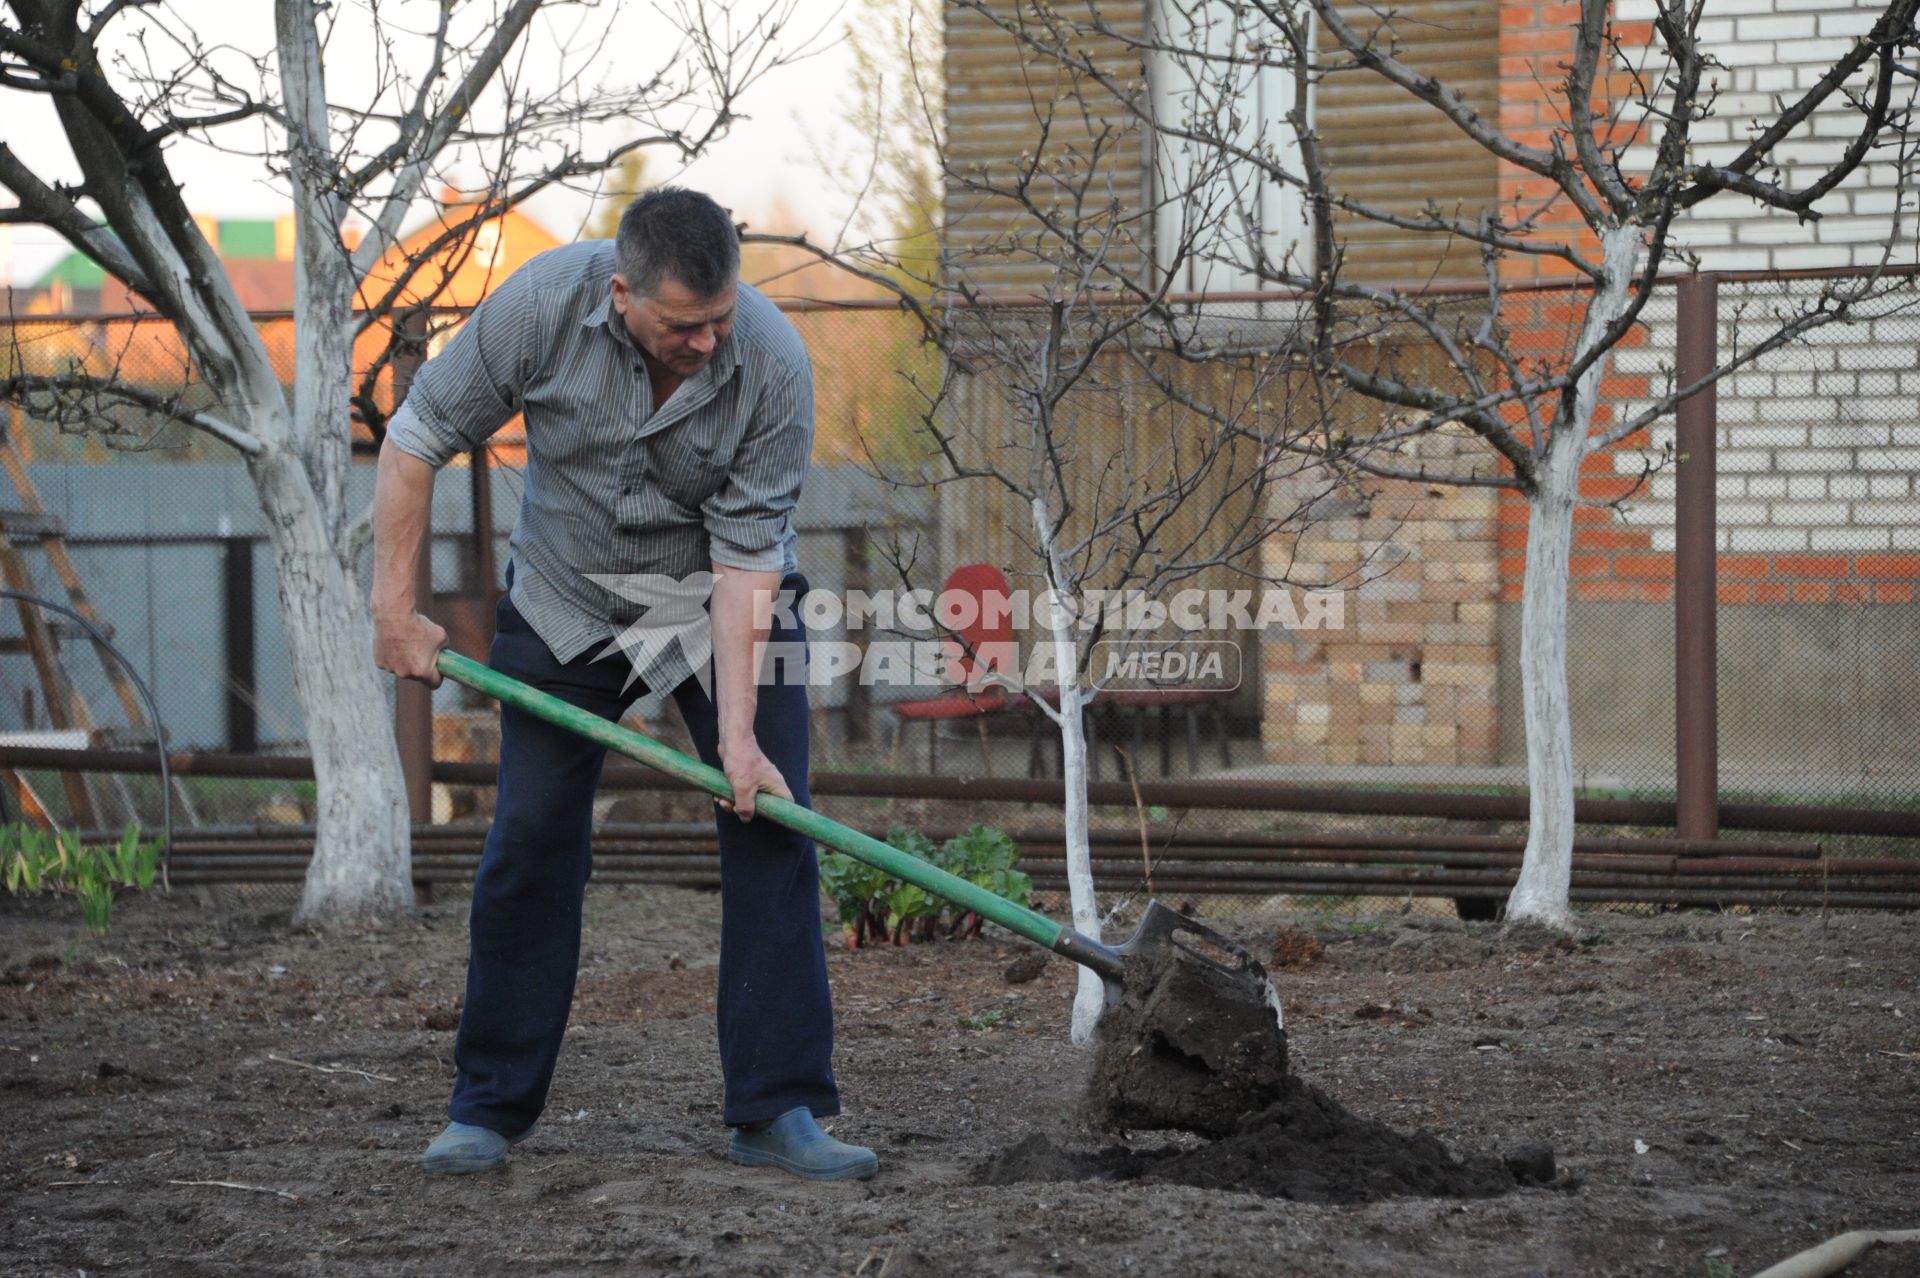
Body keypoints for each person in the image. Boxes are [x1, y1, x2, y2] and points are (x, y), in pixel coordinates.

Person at [370, 187, 875, 1181]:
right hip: (567, 601)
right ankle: (487, 1108)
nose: (704, 341)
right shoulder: (544, 307)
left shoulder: (770, 360)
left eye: (719, 319)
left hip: (714, 601)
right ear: (623, 294)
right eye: (683, 326)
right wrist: (395, 608)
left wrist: (737, 741)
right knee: (530, 841)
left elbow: (745, 568)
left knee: (772, 818)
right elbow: (417, 437)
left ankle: (778, 1109)